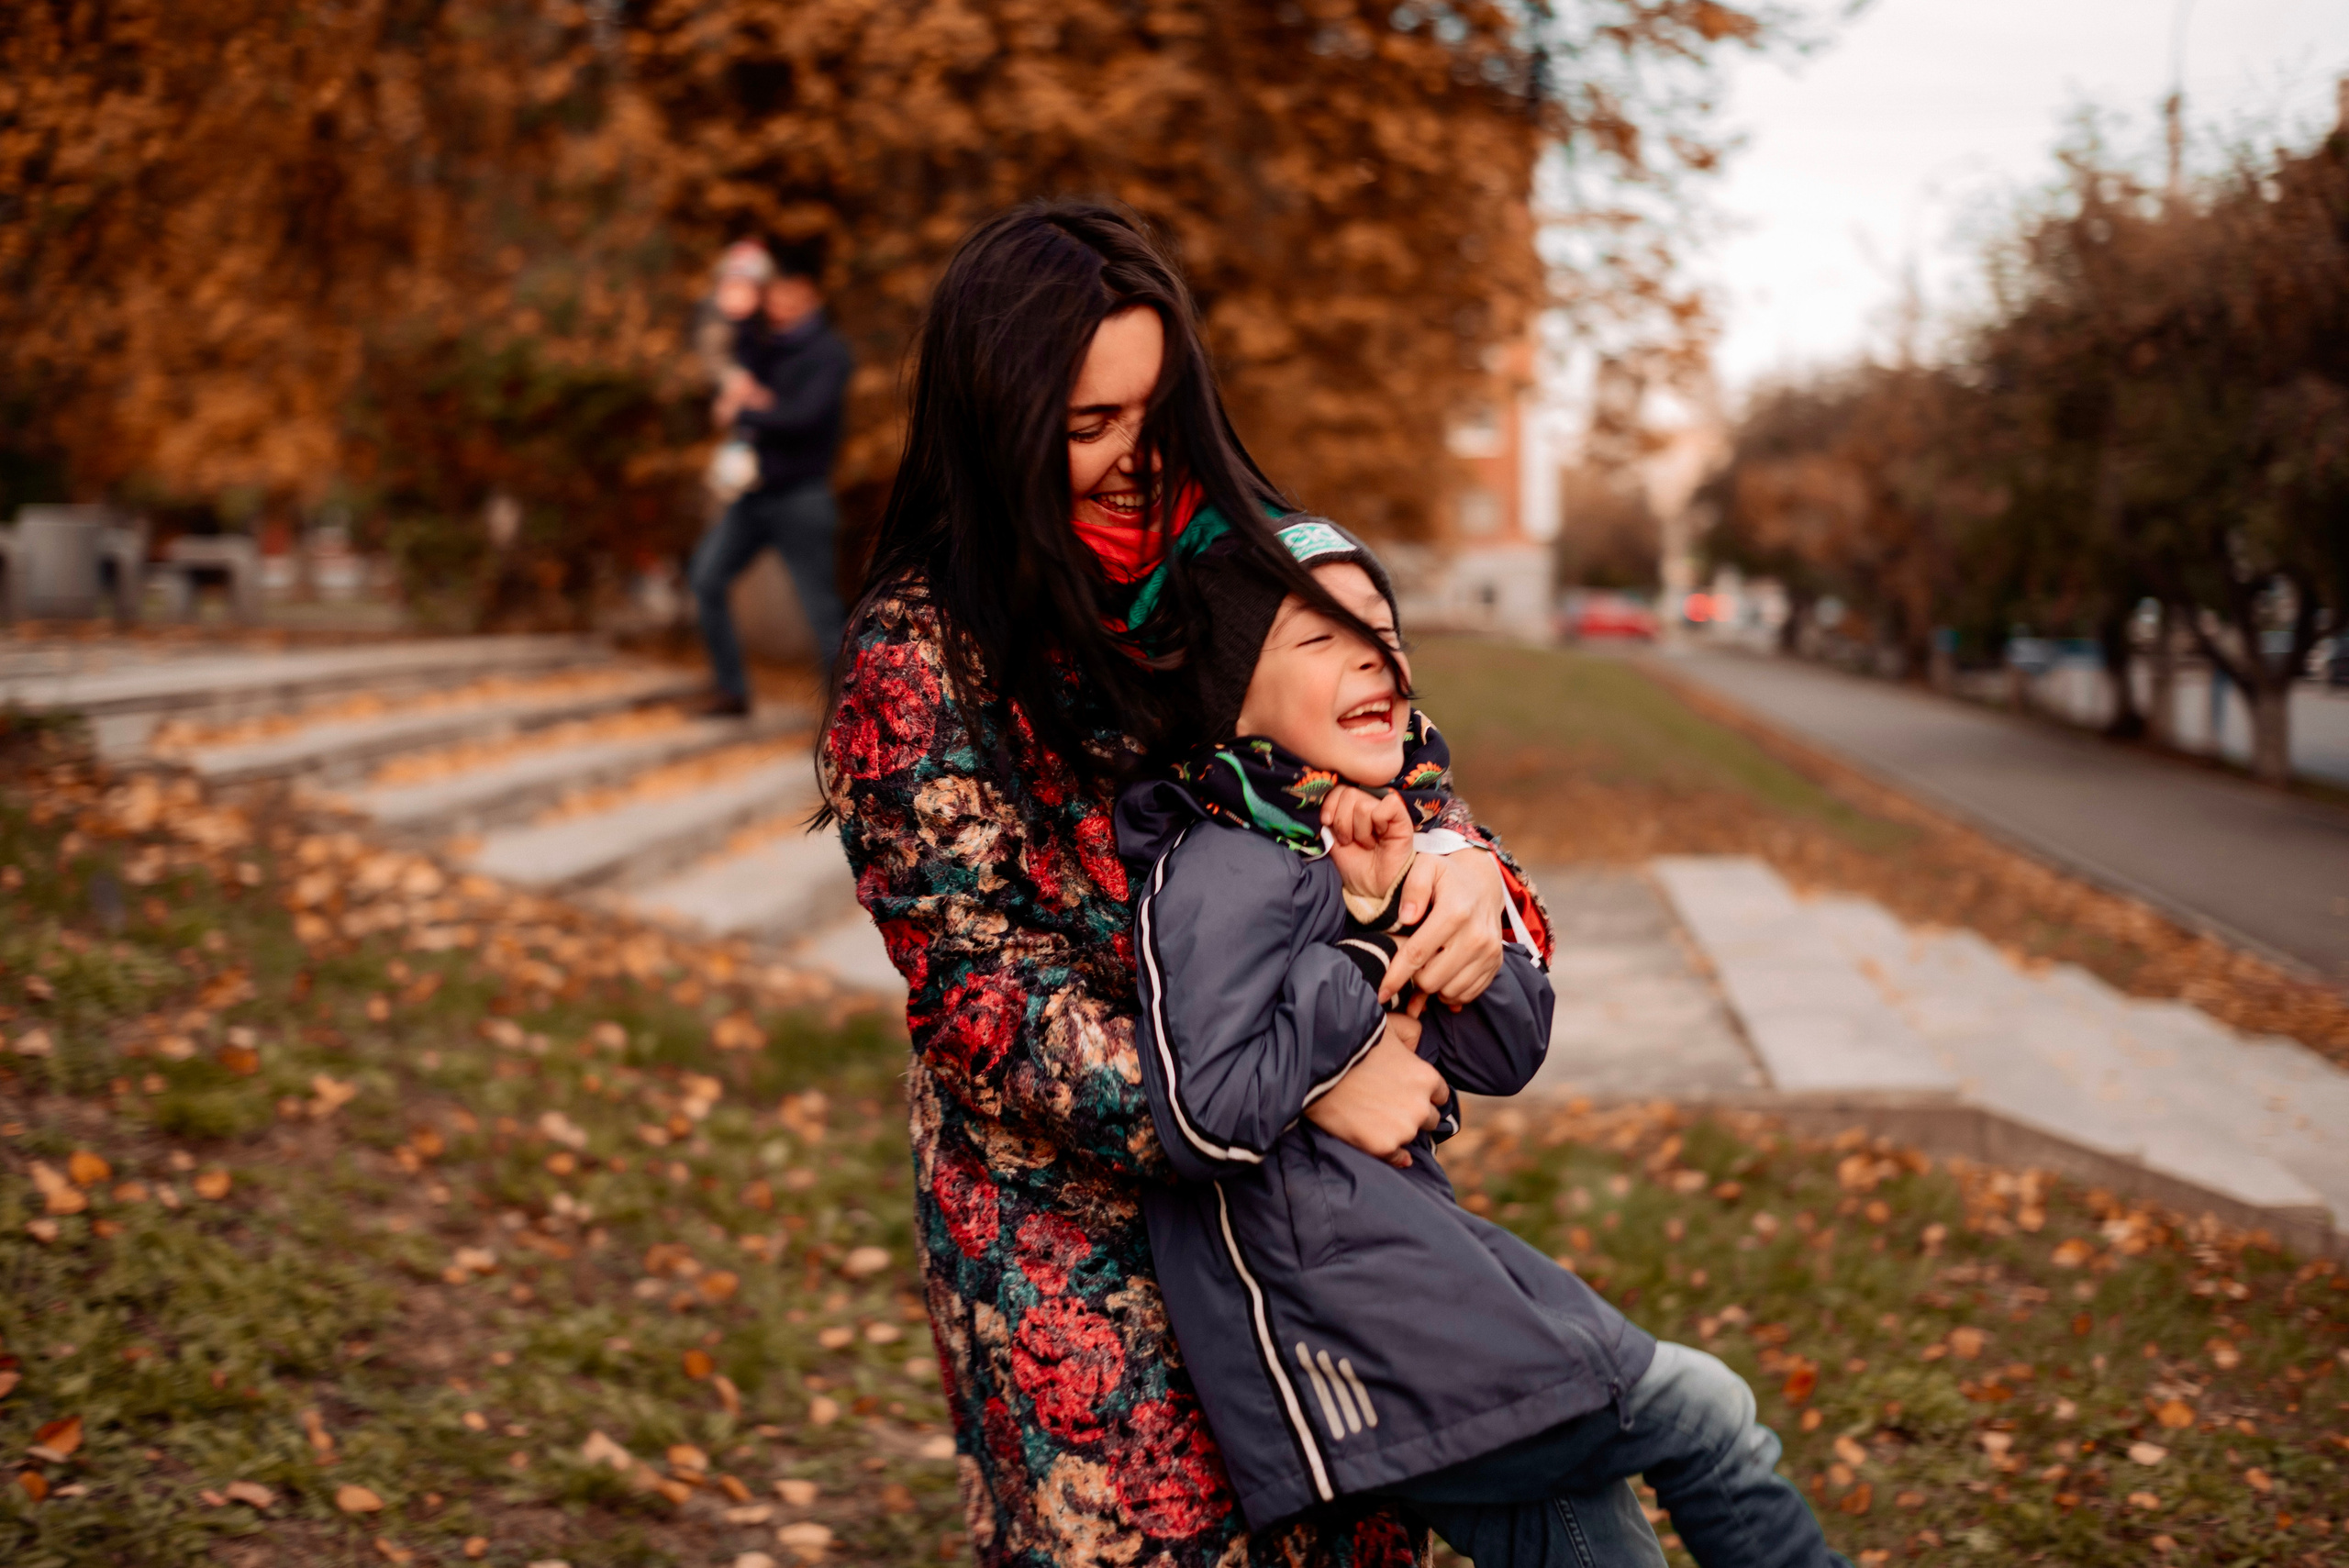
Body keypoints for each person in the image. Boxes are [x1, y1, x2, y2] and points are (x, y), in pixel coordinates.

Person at [817, 202, 1523, 1568]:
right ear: (999, 421)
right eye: (1087, 427)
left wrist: (1462, 863)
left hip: (1315, 1202)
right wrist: (1313, 1074)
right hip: (1072, 1217)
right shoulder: (920, 657)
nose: (1136, 464)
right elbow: (985, 1004)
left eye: (1155, 413)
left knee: (1358, 1527)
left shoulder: (1249, 569)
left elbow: (1398, 763)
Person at [1116, 525, 1852, 1568]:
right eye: (1320, 638)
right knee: (1708, 1413)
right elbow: (1206, 1108)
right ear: (1233, 692)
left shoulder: (1353, 837)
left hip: (1416, 1274)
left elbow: (1508, 1045)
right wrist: (1364, 959)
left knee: (1599, 1542)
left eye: (1381, 628)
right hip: (1346, 1326)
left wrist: (1434, 889)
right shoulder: (1222, 865)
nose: (1373, 652)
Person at [688, 235, 852, 714]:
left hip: (801, 498)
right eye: (772, 293)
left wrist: (752, 409)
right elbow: (714, 333)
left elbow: (804, 418)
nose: (777, 304)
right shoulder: (760, 343)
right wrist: (733, 282)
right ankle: (732, 690)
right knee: (706, 580)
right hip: (753, 495)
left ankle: (847, 719)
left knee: (821, 612)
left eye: (787, 295)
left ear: (811, 296)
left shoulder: (828, 353)